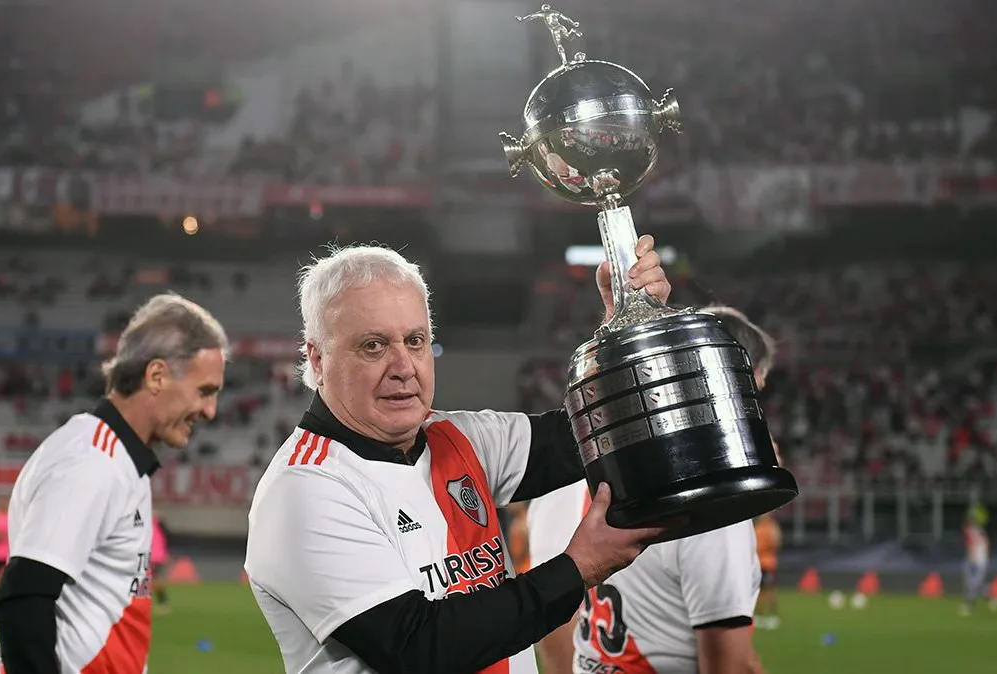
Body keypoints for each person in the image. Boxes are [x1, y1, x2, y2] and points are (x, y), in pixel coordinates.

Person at [244, 238, 674, 674]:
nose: (404, 366)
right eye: (373, 346)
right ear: (317, 359)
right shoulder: (304, 490)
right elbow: (420, 647)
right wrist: (576, 569)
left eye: (415, 341)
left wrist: (627, 326)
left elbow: (594, 430)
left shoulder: (458, 436)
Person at [527, 304, 777, 674]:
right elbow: (731, 665)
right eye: (752, 391)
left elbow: (554, 639)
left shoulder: (551, 491)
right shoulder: (711, 502)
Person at [0, 293, 229, 674]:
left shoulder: (119, 461)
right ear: (156, 376)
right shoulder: (90, 461)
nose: (211, 411)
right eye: (205, 391)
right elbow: (22, 601)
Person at [961, 505, 993, 615]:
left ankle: (970, 604)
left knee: (975, 582)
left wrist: (981, 556)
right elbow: (973, 545)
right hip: (975, 560)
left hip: (980, 560)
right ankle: (989, 597)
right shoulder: (974, 531)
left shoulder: (977, 531)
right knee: (973, 582)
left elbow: (983, 544)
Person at [753, 513, 782, 629]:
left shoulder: (764, 528)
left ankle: (768, 616)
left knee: (766, 590)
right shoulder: (770, 527)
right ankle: (764, 615)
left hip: (765, 562)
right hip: (764, 562)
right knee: (765, 589)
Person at [150, 509, 171, 614]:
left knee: (153, 580)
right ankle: (162, 603)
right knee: (153, 580)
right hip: (156, 556)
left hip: (154, 557)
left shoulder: (152, 525)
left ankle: (163, 603)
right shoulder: (158, 526)